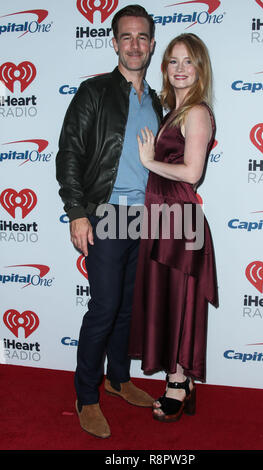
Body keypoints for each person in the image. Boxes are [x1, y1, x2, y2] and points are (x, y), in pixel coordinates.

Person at [56, 5, 162, 438]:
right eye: (127, 37)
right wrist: (77, 212)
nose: (134, 45)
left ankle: (119, 378)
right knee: (103, 308)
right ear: (114, 42)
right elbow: (69, 156)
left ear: (151, 45)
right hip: (104, 214)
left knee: (127, 307)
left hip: (145, 218)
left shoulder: (157, 100)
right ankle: (86, 394)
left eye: (142, 38)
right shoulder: (94, 92)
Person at [129, 33, 218, 422]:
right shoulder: (173, 110)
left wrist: (150, 164)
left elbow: (192, 173)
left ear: (199, 69)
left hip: (179, 219)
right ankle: (180, 380)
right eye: (173, 61)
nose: (180, 69)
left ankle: (178, 383)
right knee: (166, 298)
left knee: (179, 299)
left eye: (188, 61)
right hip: (162, 217)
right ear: (164, 68)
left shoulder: (196, 112)